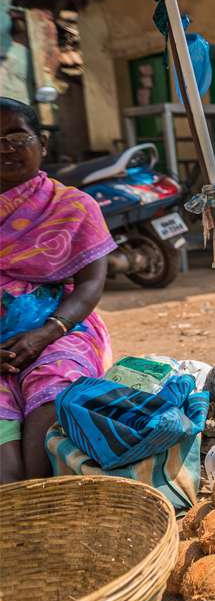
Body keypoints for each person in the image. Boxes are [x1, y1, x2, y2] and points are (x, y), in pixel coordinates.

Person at [0, 97, 115, 483]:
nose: (5, 148)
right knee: (8, 474)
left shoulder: (75, 207)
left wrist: (46, 334)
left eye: (17, 136)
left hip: (59, 332)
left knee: (44, 442)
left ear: (42, 144)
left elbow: (90, 284)